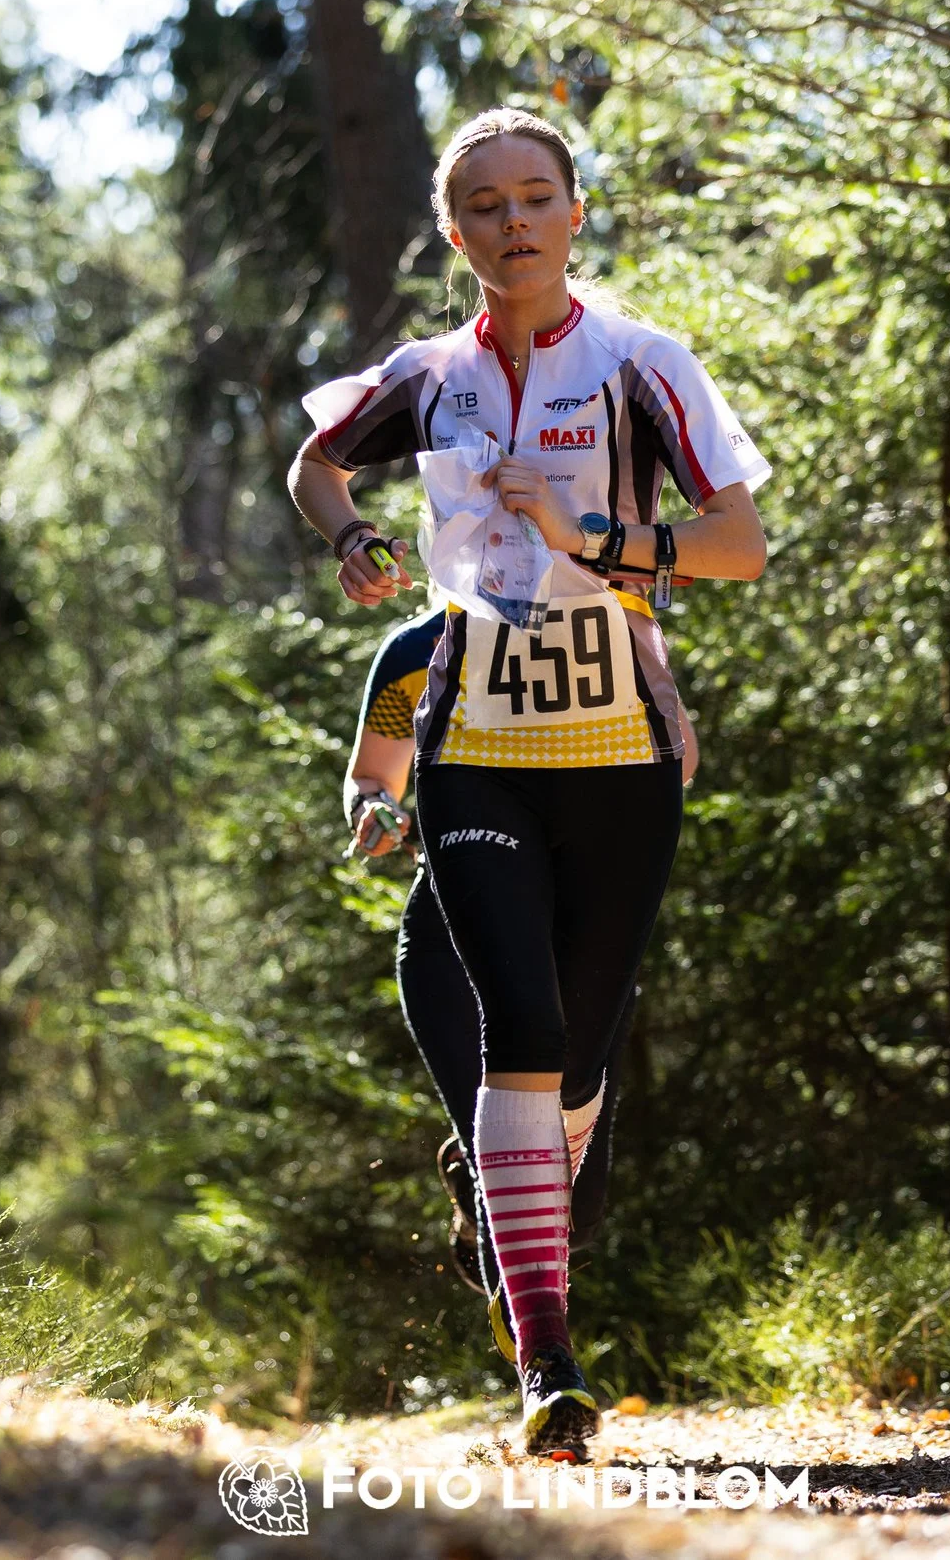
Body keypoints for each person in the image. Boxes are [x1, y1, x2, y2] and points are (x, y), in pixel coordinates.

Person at [292, 107, 769, 1457]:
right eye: (486, 205)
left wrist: (595, 535)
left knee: (578, 1071)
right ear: (455, 233)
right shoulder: (428, 376)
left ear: (574, 213)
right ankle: (546, 1365)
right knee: (520, 1023)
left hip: (621, 751)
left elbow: (740, 544)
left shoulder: (639, 364)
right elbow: (315, 462)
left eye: (536, 197)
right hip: (474, 743)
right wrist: (353, 537)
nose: (514, 221)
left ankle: (522, 1244)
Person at [343, 605, 666, 1318]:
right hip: (450, 928)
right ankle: (538, 1368)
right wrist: (374, 810)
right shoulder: (417, 648)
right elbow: (370, 775)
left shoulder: (606, 622)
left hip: (577, 924)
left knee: (578, 1208)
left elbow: (677, 760)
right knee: (512, 1184)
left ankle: (473, 1176)